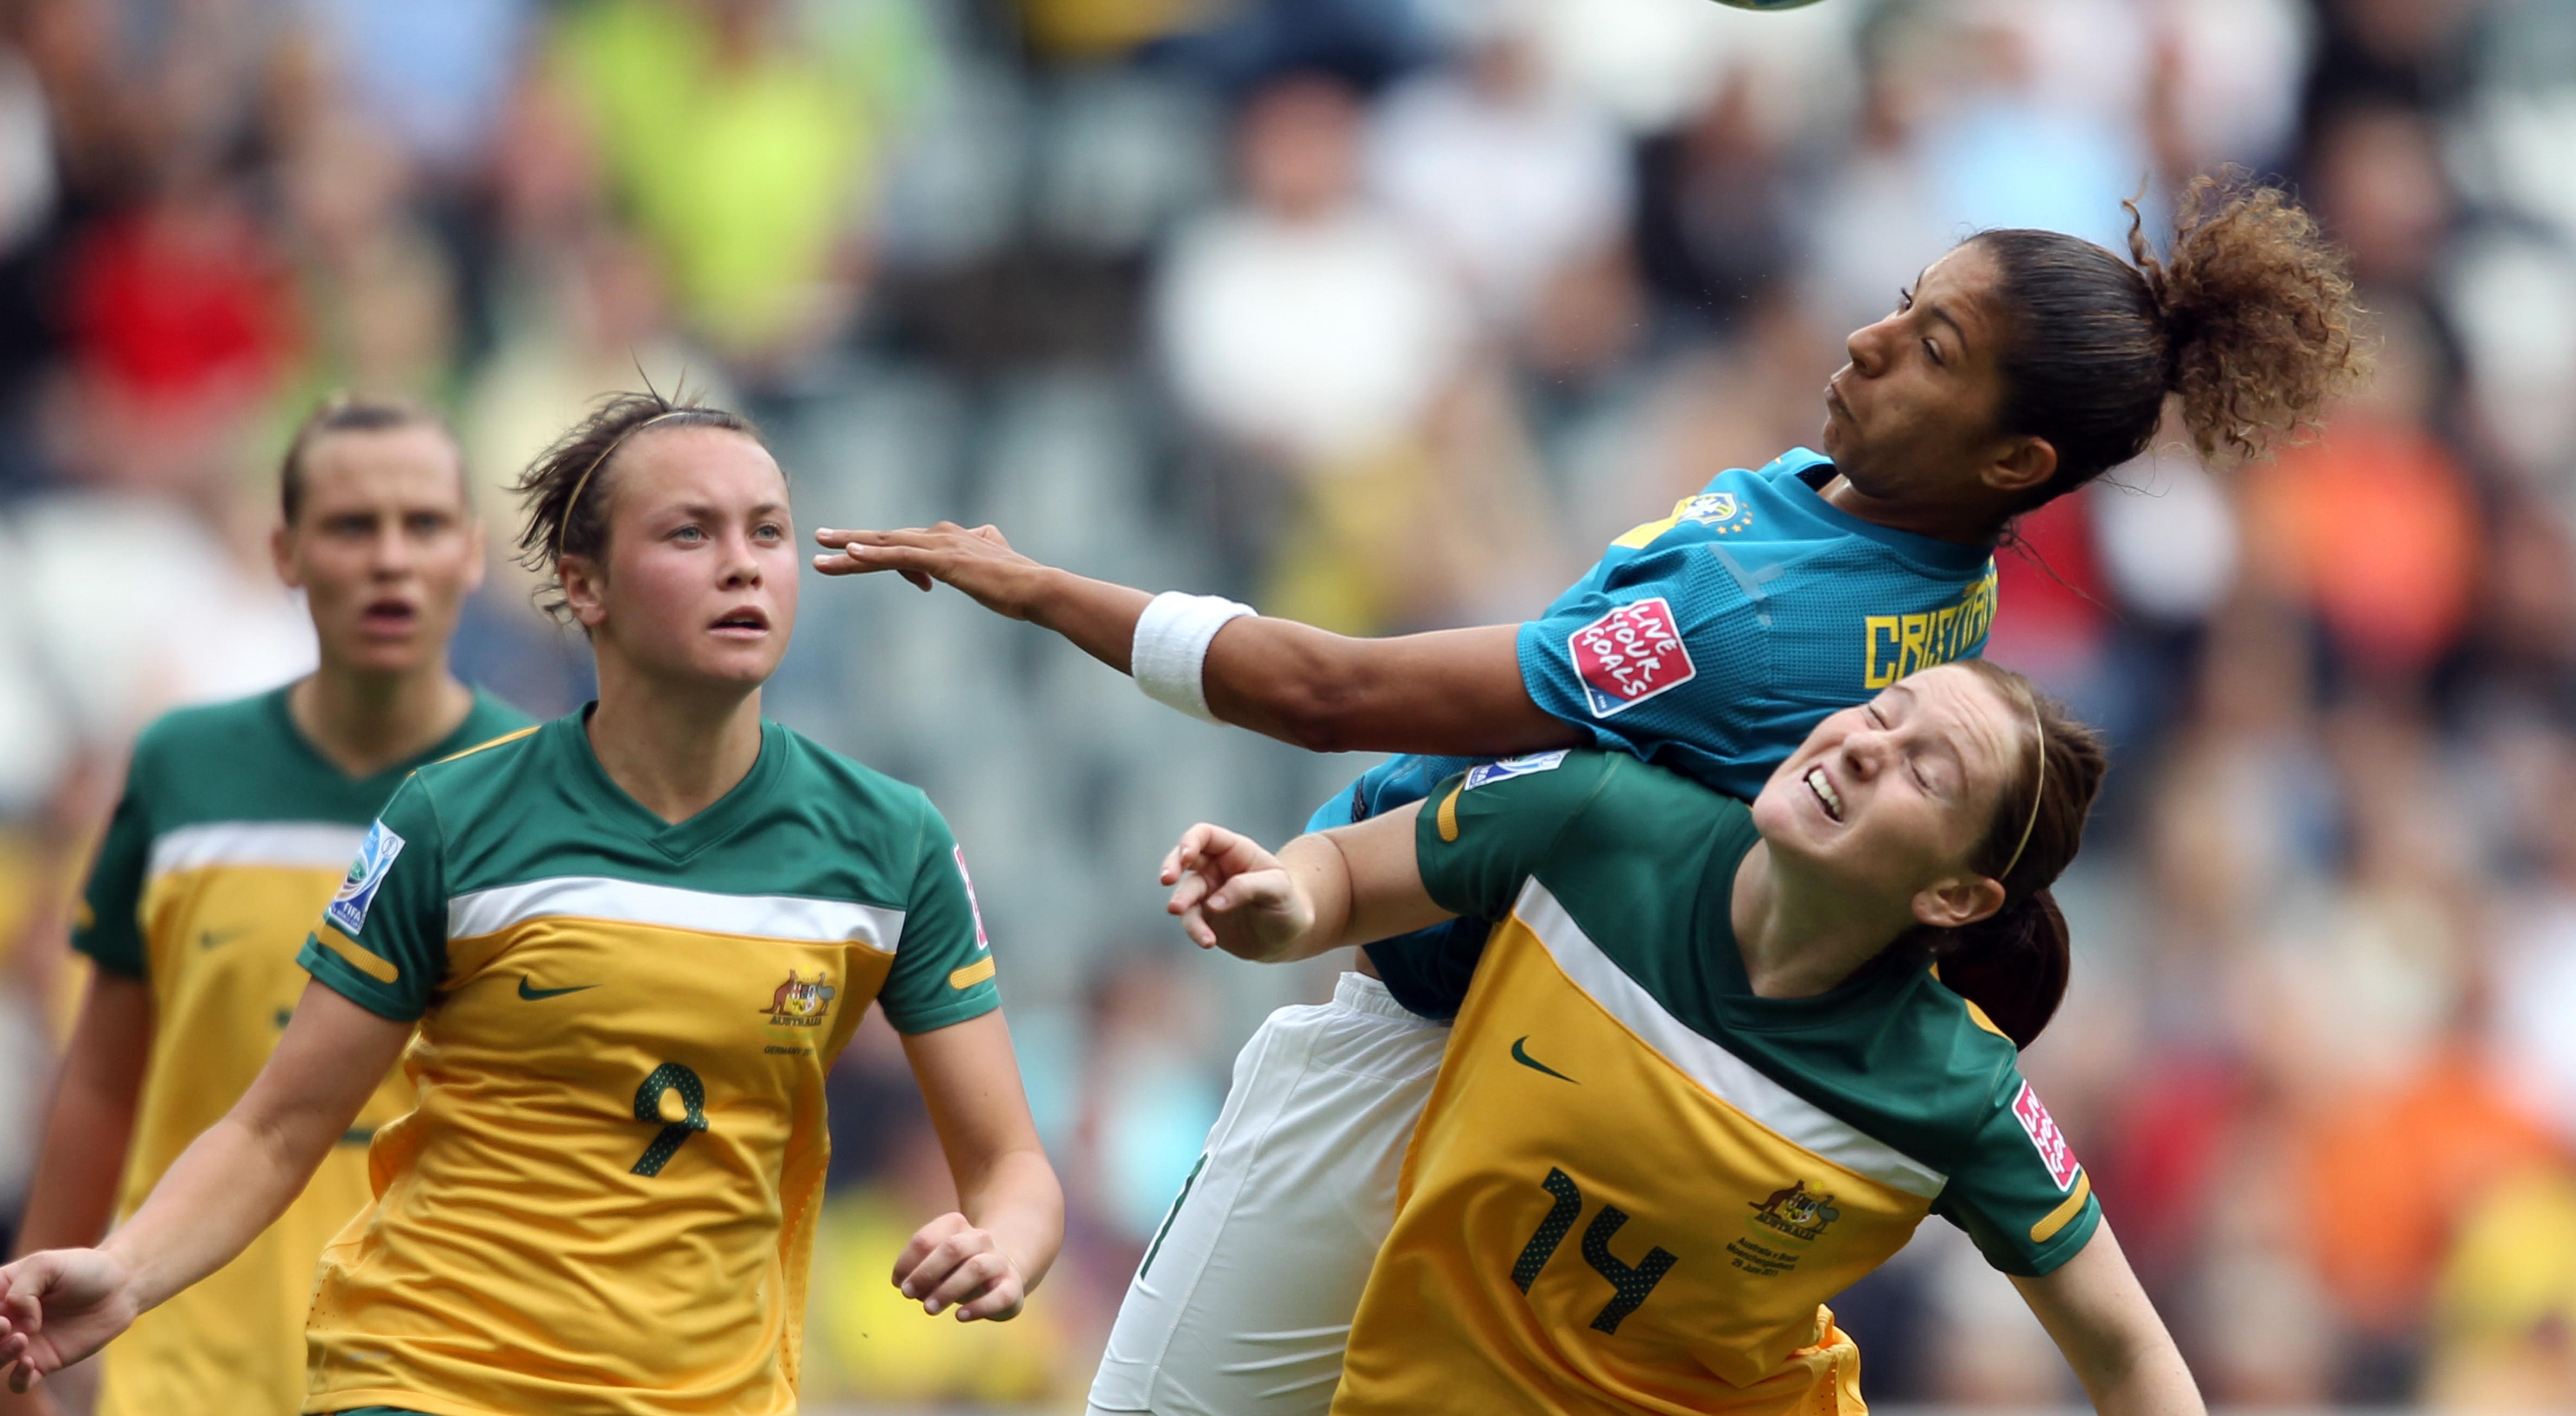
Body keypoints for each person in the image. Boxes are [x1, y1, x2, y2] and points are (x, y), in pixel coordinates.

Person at [812, 177, 2363, 1415]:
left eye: (1936, 351)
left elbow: (1324, 691)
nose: (1876, 341)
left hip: (1467, 1049)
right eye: (1908, 305)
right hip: (1562, 1067)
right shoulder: (1914, 570)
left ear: (2016, 458)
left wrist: (1036, 589)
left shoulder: (1766, 613)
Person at [0, 390, 1064, 1415]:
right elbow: (280, 1123)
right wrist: (126, 1269)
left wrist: (1006, 1246)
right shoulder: (451, 817)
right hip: (427, 1376)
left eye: (767, 532)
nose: (745, 566)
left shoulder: (889, 842)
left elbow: (1011, 1163)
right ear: (585, 588)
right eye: (691, 534)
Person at [1161, 659, 2203, 1416]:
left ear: (1956, 895)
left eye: (1925, 774)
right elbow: (1339, 875)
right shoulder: (1596, 818)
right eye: (1885, 712)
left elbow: (2130, 1355)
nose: (1867, 745)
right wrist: (1282, 903)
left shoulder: (1956, 1089)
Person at [0, 398, 531, 1416]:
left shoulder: (542, 797)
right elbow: (102, 1083)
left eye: (421, 526)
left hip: (442, 1374)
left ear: (471, 553)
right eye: (349, 526)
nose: (388, 559)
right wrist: (12, 1356)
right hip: (193, 1369)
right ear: (284, 553)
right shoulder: (182, 771)